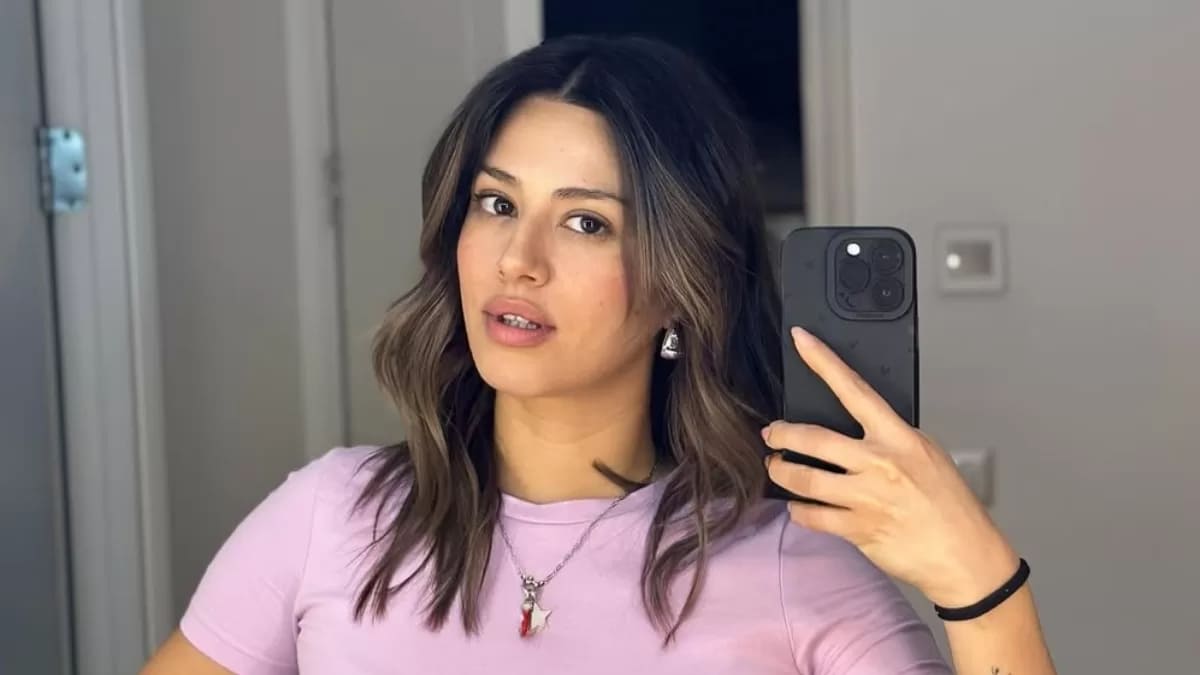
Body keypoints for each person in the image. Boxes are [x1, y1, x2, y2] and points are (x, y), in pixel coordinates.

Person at [143, 35, 1055, 674]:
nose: (519, 259)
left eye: (586, 222)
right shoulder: (327, 518)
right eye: (497, 204)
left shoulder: (790, 567)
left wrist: (979, 578)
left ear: (680, 286)